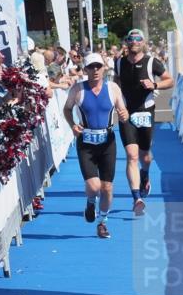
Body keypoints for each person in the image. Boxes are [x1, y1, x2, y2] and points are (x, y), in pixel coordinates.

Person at [62, 52, 129, 239]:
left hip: (107, 142)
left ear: (104, 68)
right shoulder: (78, 90)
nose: (95, 70)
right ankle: (91, 202)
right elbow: (67, 109)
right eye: (91, 67)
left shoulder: (113, 88)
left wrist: (124, 115)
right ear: (85, 69)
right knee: (94, 186)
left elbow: (122, 110)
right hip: (86, 143)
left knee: (107, 187)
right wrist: (72, 124)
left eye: (98, 66)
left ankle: (102, 223)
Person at [113, 28, 173, 215]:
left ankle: (145, 174)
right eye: (131, 39)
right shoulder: (119, 62)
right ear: (127, 42)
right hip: (126, 112)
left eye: (138, 39)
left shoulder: (152, 62)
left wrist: (154, 85)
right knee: (131, 155)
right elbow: (116, 82)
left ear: (143, 42)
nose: (134, 42)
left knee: (145, 156)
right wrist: (116, 101)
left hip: (146, 111)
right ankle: (136, 198)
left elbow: (169, 80)